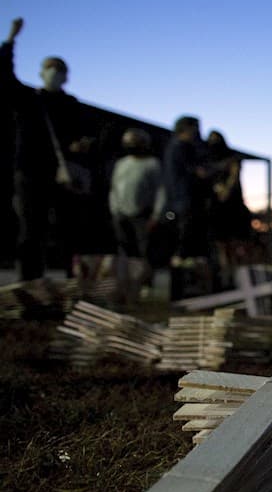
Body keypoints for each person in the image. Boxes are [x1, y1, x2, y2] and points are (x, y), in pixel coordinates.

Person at [3, 17, 95, 280]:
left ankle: (71, 280)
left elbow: (91, 135)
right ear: (41, 72)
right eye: (49, 67)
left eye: (59, 68)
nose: (54, 72)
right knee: (32, 228)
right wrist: (11, 39)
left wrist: (82, 145)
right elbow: (4, 76)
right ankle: (30, 281)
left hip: (64, 174)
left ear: (66, 75)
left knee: (69, 228)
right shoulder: (30, 99)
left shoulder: (72, 105)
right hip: (31, 170)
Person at [108, 128, 163, 304]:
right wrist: (115, 208)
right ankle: (127, 286)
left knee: (144, 251)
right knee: (125, 250)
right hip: (121, 213)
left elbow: (160, 190)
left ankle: (145, 285)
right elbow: (114, 187)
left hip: (142, 214)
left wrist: (156, 214)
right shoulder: (122, 163)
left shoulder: (152, 164)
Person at [160, 116, 212, 299]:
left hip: (179, 202)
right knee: (184, 247)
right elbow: (199, 172)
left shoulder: (173, 148)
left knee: (184, 248)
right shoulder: (181, 148)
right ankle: (181, 292)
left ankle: (183, 290)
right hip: (185, 203)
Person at [206, 130, 253, 288]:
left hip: (234, 209)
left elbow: (234, 176)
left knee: (238, 246)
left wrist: (226, 189)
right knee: (221, 247)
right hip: (217, 210)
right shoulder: (209, 161)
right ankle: (227, 279)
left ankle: (243, 279)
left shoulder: (232, 159)